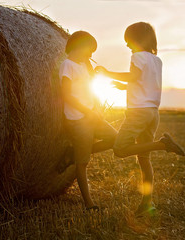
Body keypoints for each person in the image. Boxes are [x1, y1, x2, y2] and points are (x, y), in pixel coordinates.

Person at [95, 22, 185, 216]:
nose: (127, 46)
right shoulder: (156, 60)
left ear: (137, 40)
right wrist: (124, 87)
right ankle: (147, 203)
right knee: (144, 160)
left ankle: (162, 145)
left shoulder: (137, 56)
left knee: (119, 149)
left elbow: (134, 76)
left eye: (128, 41)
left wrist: (106, 73)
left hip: (138, 112)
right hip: (153, 113)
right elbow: (145, 82)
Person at [59, 31, 117, 211]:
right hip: (78, 119)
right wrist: (86, 112)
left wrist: (96, 110)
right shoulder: (67, 65)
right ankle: (89, 203)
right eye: (90, 50)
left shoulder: (83, 66)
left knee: (116, 139)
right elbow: (66, 95)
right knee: (82, 163)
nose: (91, 55)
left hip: (92, 116)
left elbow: (91, 90)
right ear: (79, 46)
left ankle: (74, 153)